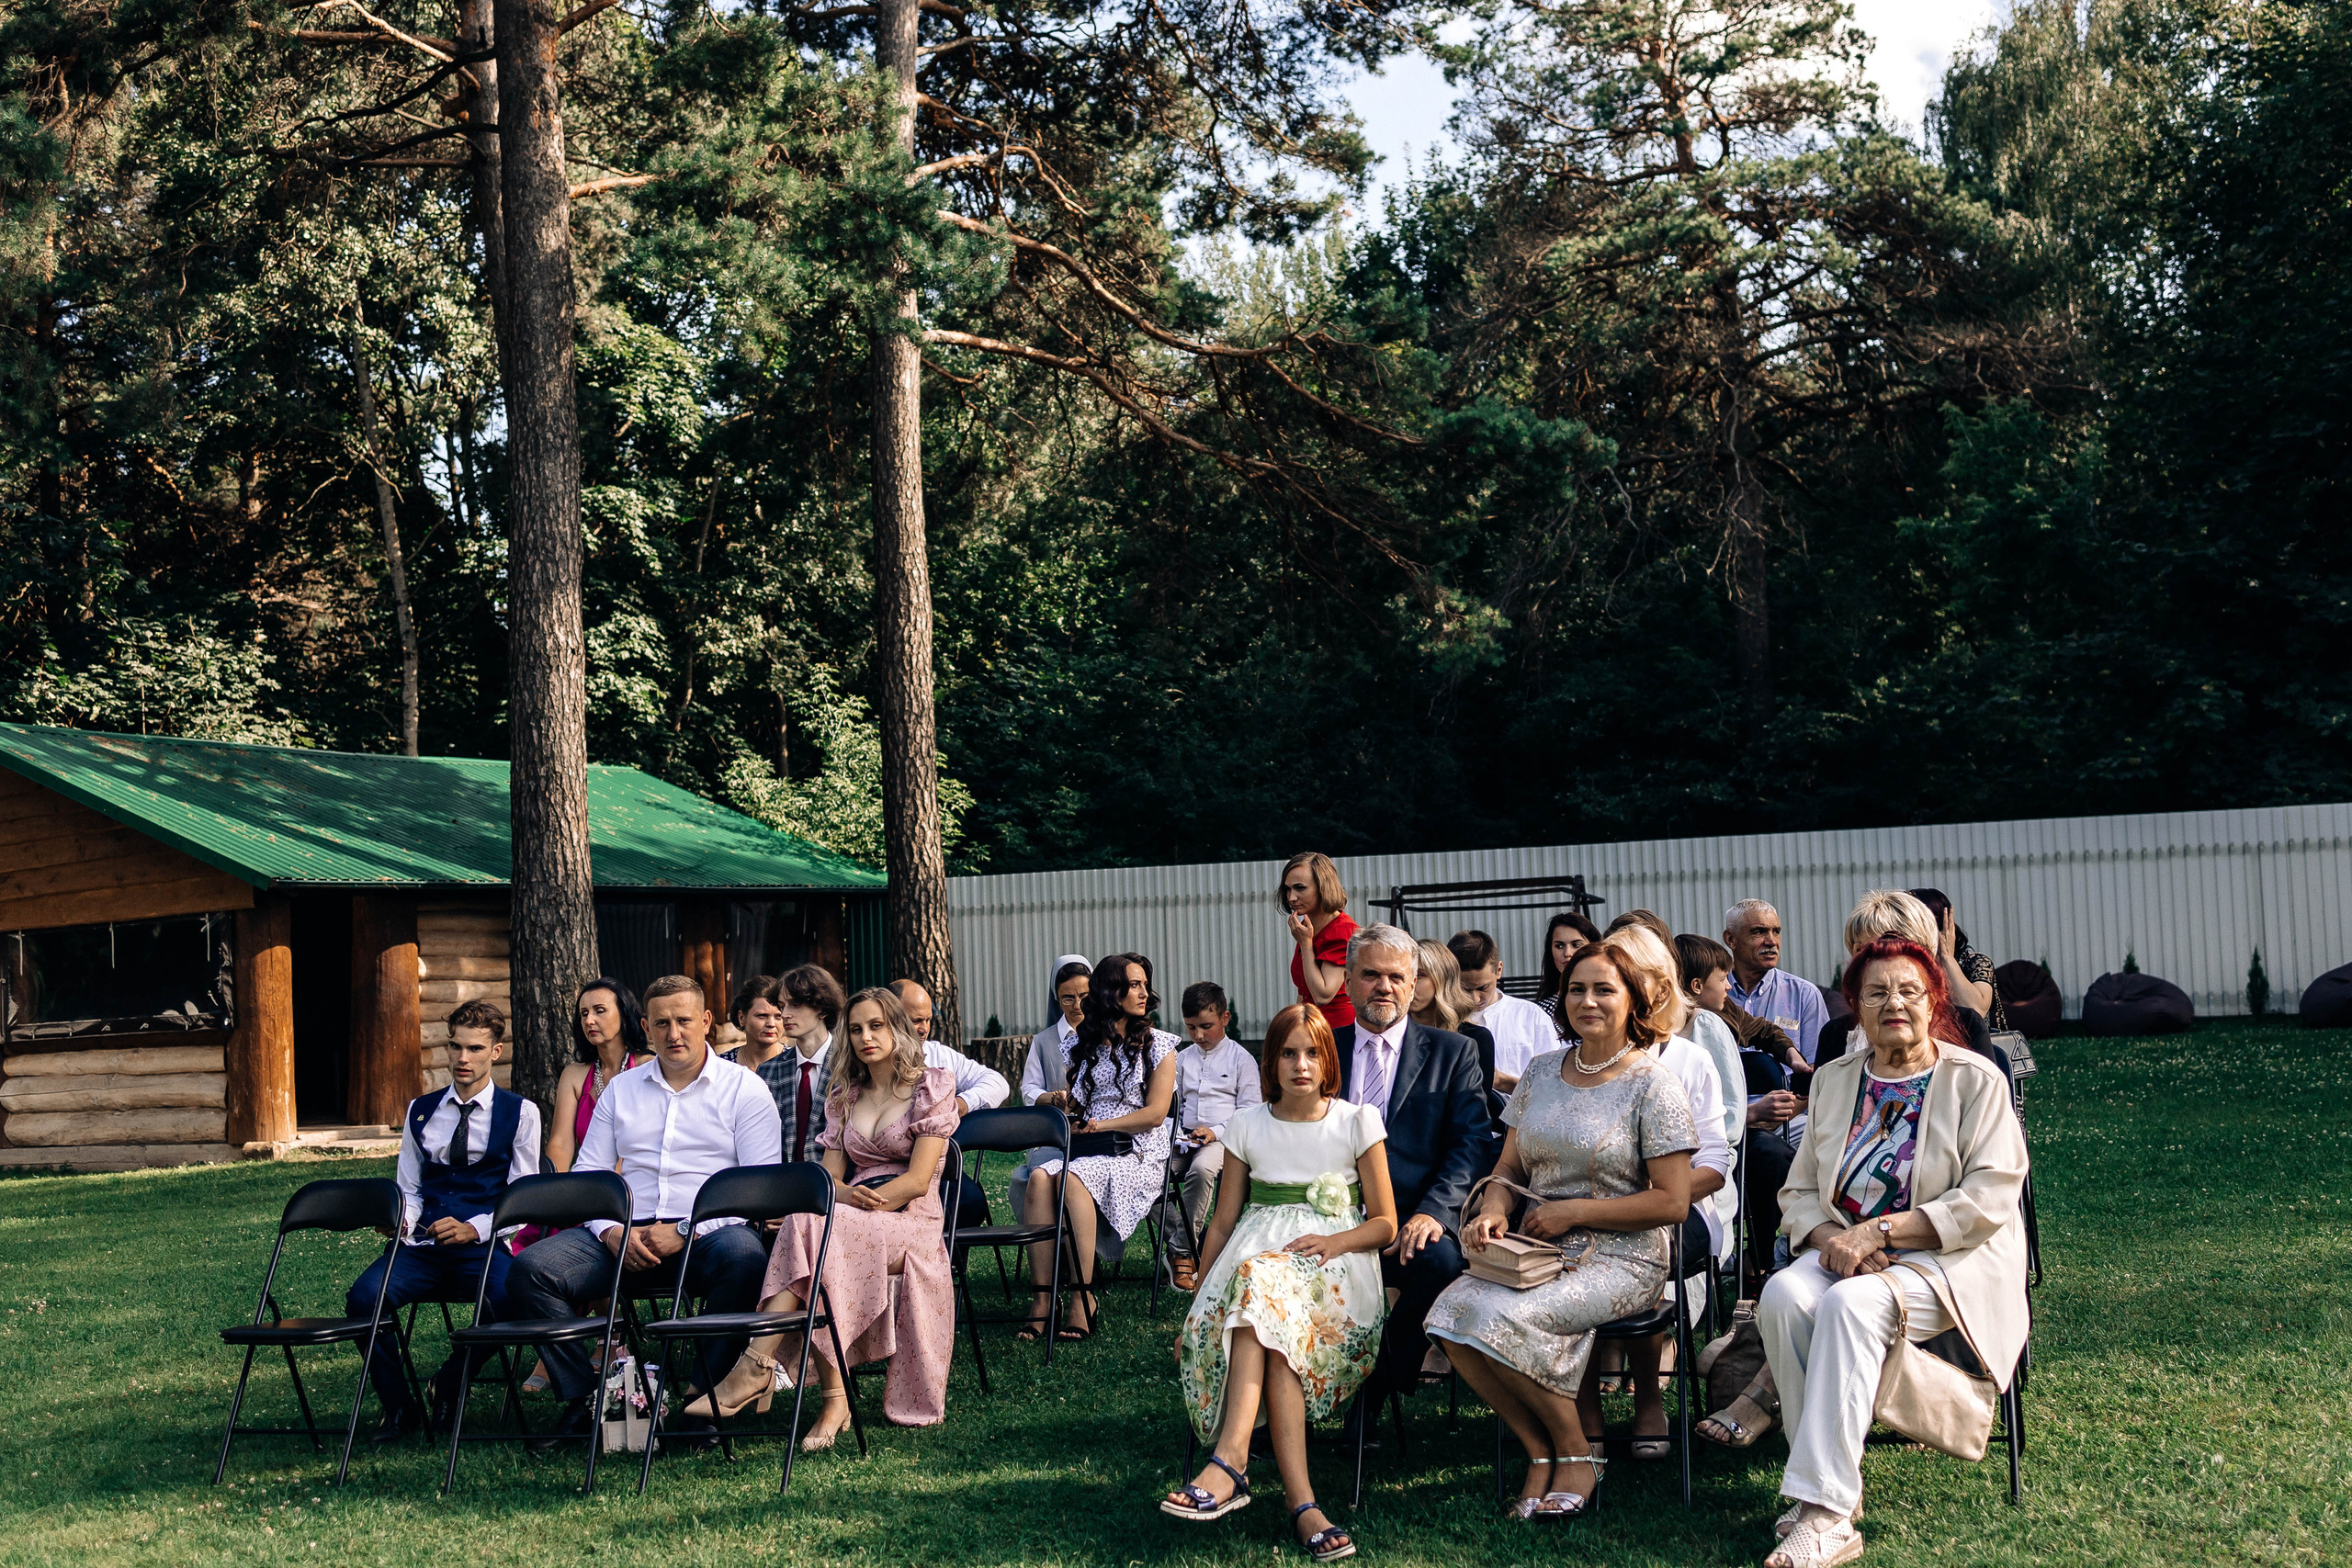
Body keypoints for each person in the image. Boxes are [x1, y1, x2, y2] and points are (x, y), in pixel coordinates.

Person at [1747, 936, 2030, 1568]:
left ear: (1933, 1001)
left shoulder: (1972, 1079)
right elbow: (1798, 1192)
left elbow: (1990, 1195)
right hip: (1847, 1252)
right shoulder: (1836, 1080)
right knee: (1784, 1295)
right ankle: (1828, 1485)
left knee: (1850, 1305)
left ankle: (1824, 1513)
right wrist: (1835, 1239)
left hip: (1950, 1258)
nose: (1893, 1002)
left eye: (1908, 990)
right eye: (1876, 992)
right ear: (1855, 1007)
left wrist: (1880, 1233)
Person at [1425, 941, 1698, 1518]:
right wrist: (1493, 1210)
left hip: (1625, 1260)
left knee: (1504, 1319)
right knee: (1448, 1316)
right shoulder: (1543, 1071)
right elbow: (1508, 1168)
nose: (1588, 1001)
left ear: (1634, 1001)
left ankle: (1576, 1454)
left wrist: (1573, 1212)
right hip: (1536, 1249)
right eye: (1577, 988)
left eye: (1604, 989)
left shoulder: (1654, 1083)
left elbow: (1673, 1202)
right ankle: (1542, 1451)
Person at [503, 975, 783, 1449]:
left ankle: (701, 1405)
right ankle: (587, 1400)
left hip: (709, 1234)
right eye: (662, 1023)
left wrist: (685, 1229)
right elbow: (590, 1175)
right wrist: (611, 1230)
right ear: (645, 1028)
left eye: (684, 1021)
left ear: (707, 1023)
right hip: (624, 1236)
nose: (674, 1033)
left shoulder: (744, 1090)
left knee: (747, 1259)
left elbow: (756, 1190)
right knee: (532, 1269)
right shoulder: (622, 1090)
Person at [1162, 1004, 1396, 1563]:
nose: (1301, 1065)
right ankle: (1303, 1505)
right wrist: (1198, 1301)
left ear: (1328, 1060)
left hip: (1336, 1269)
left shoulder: (1356, 1121)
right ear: (1270, 1060)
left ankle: (1230, 1462)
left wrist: (1334, 1242)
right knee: (1262, 1304)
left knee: (1260, 1289)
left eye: (1313, 1052)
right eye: (1288, 1053)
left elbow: (1385, 1223)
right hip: (1254, 1260)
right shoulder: (1247, 1124)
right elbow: (1222, 1221)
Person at [687, 987, 962, 1448]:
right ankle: (832, 1397)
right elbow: (829, 1179)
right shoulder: (846, 1095)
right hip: (853, 1212)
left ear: (896, 1027)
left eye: (876, 1026)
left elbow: (917, 1181)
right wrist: (847, 1201)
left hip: (911, 1218)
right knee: (814, 1230)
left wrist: (857, 1207)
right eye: (855, 1029)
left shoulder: (931, 1085)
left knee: (813, 1230)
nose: (865, 1037)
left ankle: (757, 1367)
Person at [1569, 925, 1731, 1461]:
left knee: (1639, 1244)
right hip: (1587, 1213)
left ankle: (1648, 1404)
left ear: (1657, 988)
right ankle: (1584, 1402)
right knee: (1577, 1252)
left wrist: (1652, 1195)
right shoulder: (1576, 1058)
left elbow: (1715, 1161)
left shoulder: (1688, 1061)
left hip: (1681, 1215)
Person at [348, 998, 541, 1442]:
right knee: (363, 1300)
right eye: (454, 1047)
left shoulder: (521, 1113)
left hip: (483, 1247)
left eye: (474, 1049)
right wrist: (400, 1220)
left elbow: (524, 1198)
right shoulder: (421, 1110)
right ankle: (398, 1407)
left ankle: (451, 1381)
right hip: (422, 1248)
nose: (462, 1058)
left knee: (513, 1300)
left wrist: (476, 1227)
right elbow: (409, 1188)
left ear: (495, 1051)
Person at [1333, 924, 1492, 1406]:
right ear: (1348, 978)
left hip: (1410, 1217)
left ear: (1414, 980)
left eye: (1397, 977)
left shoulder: (1453, 1052)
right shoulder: (1321, 1050)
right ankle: (1274, 1402)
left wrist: (1434, 1214)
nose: (1385, 987)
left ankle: (1371, 1390)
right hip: (1327, 1218)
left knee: (1442, 1261)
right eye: (1371, 975)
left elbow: (1470, 1145)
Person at [1021, 952, 1180, 1341]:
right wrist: (1073, 1110)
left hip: (1138, 1149)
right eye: (1134, 985)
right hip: (1091, 1144)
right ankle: (1043, 1298)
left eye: (1144, 984)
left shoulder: (1159, 1045)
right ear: (1112, 992)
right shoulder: (1087, 1045)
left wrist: (1101, 1124)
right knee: (1039, 1178)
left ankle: (1082, 1296)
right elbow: (1081, 1102)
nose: (1144, 992)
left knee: (1071, 1179)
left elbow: (1156, 1114)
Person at [883, 975, 1012, 1227]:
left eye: (928, 1019)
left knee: (970, 1201)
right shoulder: (874, 1059)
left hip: (936, 1168)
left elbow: (998, 1083)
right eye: (916, 1020)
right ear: (892, 1017)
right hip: (888, 1167)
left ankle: (950, 1263)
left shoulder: (940, 1055)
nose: (924, 1028)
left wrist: (961, 1104)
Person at [1166, 981, 1263, 1291]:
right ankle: (1188, 1241)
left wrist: (1216, 1131)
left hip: (1224, 1140)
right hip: (1182, 1138)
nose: (1198, 1035)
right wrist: (1177, 1133)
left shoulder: (1241, 1060)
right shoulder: (1181, 1059)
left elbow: (1250, 1111)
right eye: (1191, 1027)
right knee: (1149, 1173)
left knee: (1202, 1170)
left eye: (1206, 1026)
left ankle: (1182, 1252)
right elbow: (1169, 1106)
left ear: (1225, 1018)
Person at [545, 977, 651, 1173]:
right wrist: (555, 1190)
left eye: (599, 1011)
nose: (589, 1020)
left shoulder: (648, 1067)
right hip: (587, 1182)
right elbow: (560, 1143)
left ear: (624, 1013)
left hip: (638, 1181)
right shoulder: (574, 1076)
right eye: (584, 1013)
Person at [1724, 900, 1828, 1066]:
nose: (1772, 941)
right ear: (1730, 939)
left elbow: (1819, 1068)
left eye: (1776, 932)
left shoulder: (1804, 995)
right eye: (1759, 932)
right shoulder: (1711, 996)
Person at [1412, 937, 1502, 1124]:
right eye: (1402, 975)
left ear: (1443, 978)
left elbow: (1472, 1116)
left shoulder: (1475, 1039)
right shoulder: (1389, 1035)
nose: (1409, 983)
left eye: (1419, 975)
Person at [1451, 930, 1551, 1096]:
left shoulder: (1531, 1017)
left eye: (1483, 988)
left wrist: (1503, 1081)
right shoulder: (1441, 1019)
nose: (1475, 999)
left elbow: (1553, 1086)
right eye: (1464, 989)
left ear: (1499, 970)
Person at [1281, 852, 1359, 1054]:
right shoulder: (1310, 927)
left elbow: (1323, 994)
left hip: (1338, 1033)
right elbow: (1303, 992)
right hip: (1312, 1031)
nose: (1292, 897)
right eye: (1288, 889)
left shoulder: (1341, 930)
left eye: (1300, 888)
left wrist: (1306, 944)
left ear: (1323, 887)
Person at [1906, 887, 2007, 1031]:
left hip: (1971, 1048)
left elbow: (1975, 1011)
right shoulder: (1906, 966)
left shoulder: (1974, 962)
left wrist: (1946, 958)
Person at [1536, 912, 1601, 1018]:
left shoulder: (1609, 998)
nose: (1567, 953)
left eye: (1576, 945)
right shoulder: (1541, 1012)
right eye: (1559, 946)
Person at [722, 973, 789, 1073]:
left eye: (778, 1016)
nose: (771, 1023)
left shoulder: (796, 1063)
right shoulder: (723, 1066)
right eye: (762, 1016)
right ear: (741, 1018)